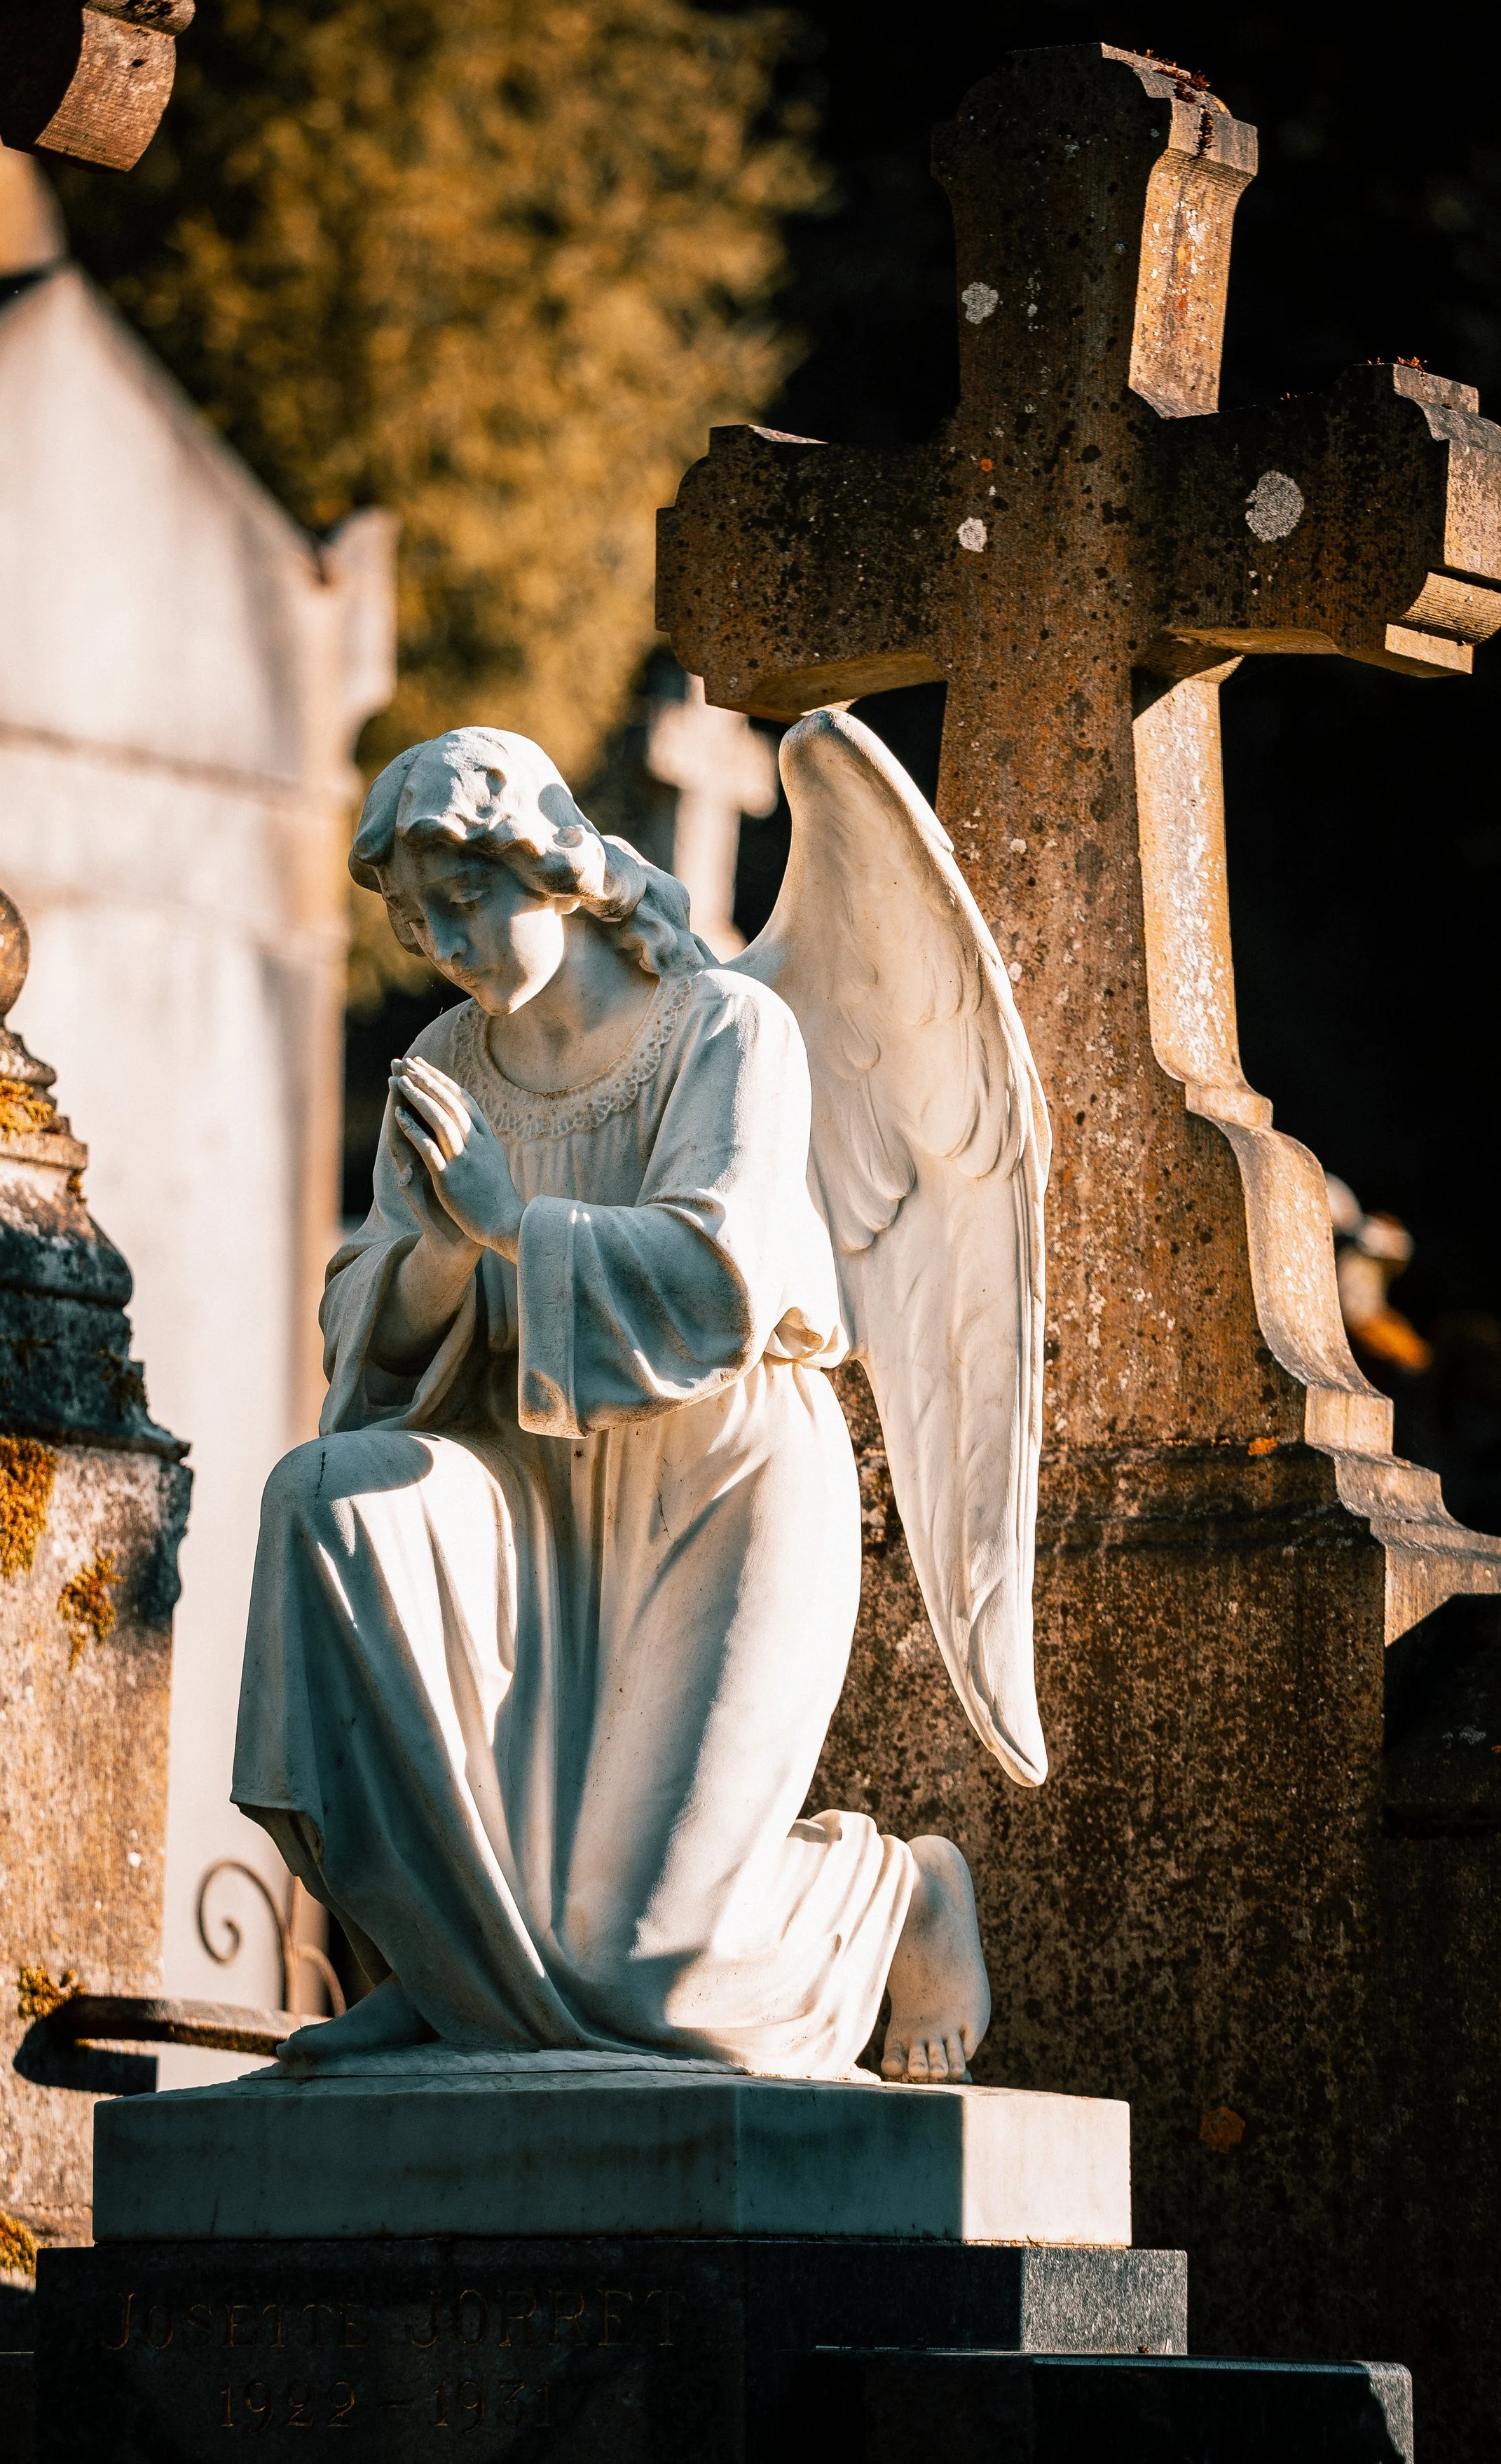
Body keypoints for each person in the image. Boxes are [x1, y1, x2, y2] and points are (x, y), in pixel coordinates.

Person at [233, 726, 990, 2082]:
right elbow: (369, 1335)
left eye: (464, 897)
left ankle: (895, 1896)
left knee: (645, 1965)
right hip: (531, 1492)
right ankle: (447, 1968)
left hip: (723, 1485)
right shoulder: (448, 1059)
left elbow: (718, 1284)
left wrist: (509, 1221)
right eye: (415, 918)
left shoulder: (726, 1029)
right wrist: (445, 1251)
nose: (442, 941)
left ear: (544, 865)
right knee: (323, 1502)